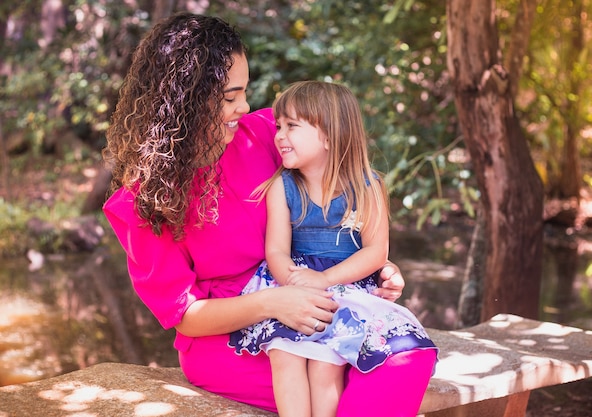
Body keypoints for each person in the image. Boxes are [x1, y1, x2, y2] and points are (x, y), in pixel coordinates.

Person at [102, 12, 437, 416]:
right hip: (230, 334)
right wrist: (275, 303)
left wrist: (369, 265)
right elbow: (185, 314)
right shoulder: (143, 201)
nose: (243, 106)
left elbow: (332, 204)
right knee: (335, 373)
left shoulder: (266, 134)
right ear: (183, 103)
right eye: (229, 97)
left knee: (405, 356)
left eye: (244, 92)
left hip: (314, 296)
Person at [229, 81, 438, 417]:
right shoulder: (281, 187)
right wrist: (296, 283)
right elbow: (277, 251)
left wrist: (323, 279)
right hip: (291, 285)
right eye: (279, 126)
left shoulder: (368, 186)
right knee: (285, 355)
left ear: (329, 135)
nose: (279, 135)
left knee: (325, 364)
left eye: (292, 126)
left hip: (343, 285)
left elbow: (375, 252)